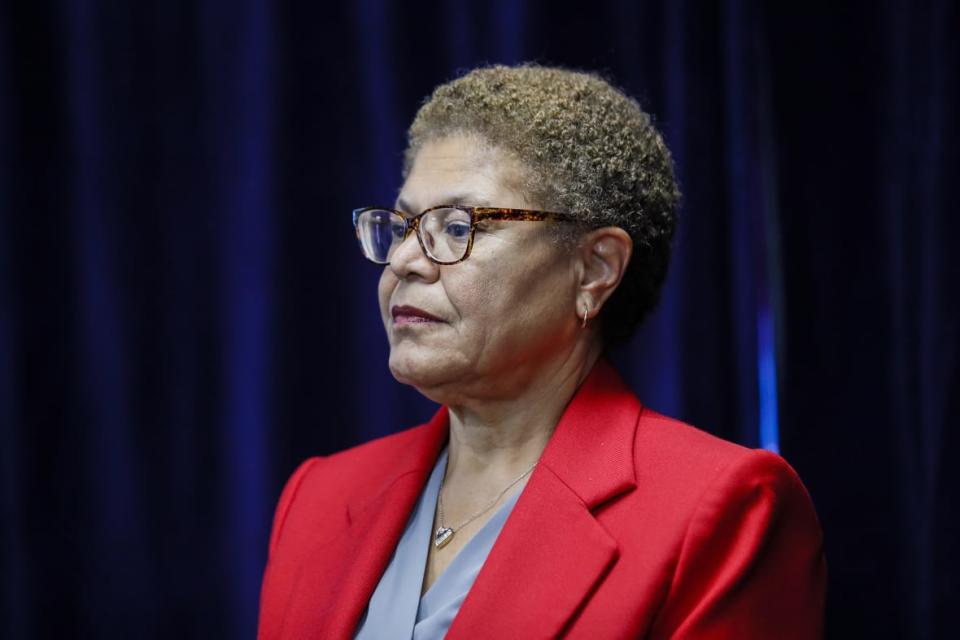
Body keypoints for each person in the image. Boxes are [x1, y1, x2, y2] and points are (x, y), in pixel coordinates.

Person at [257, 64, 826, 639]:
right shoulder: (319, 498)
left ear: (595, 269)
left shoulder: (723, 510)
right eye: (404, 226)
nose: (405, 259)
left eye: (457, 228)